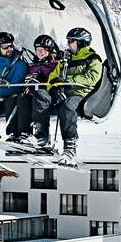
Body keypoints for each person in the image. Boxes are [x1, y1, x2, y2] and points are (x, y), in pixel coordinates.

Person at [32, 27, 104, 166]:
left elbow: (92, 77)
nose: (69, 43)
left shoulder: (92, 59)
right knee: (40, 94)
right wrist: (53, 87)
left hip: (80, 93)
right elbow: (53, 76)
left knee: (68, 107)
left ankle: (70, 147)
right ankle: (42, 136)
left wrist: (69, 80)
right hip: (62, 91)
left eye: (72, 41)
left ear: (81, 42)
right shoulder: (65, 59)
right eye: (68, 41)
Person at [9, 34, 59, 143]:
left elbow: (56, 79)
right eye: (38, 49)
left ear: (50, 51)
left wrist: (43, 79)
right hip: (32, 94)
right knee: (22, 98)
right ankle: (23, 133)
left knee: (39, 94)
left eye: (43, 50)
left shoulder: (55, 65)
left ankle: (42, 134)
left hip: (48, 95)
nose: (40, 52)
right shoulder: (32, 66)